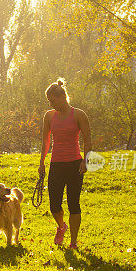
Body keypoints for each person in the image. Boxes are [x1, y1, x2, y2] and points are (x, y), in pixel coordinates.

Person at [38, 79, 92, 249]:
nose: (51, 104)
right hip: (56, 164)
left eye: (52, 100)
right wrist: (42, 163)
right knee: (54, 205)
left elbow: (87, 138)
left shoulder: (79, 115)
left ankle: (73, 242)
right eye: (49, 102)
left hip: (75, 164)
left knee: (73, 204)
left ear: (62, 97)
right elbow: (46, 140)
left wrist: (86, 160)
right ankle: (61, 226)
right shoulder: (49, 116)